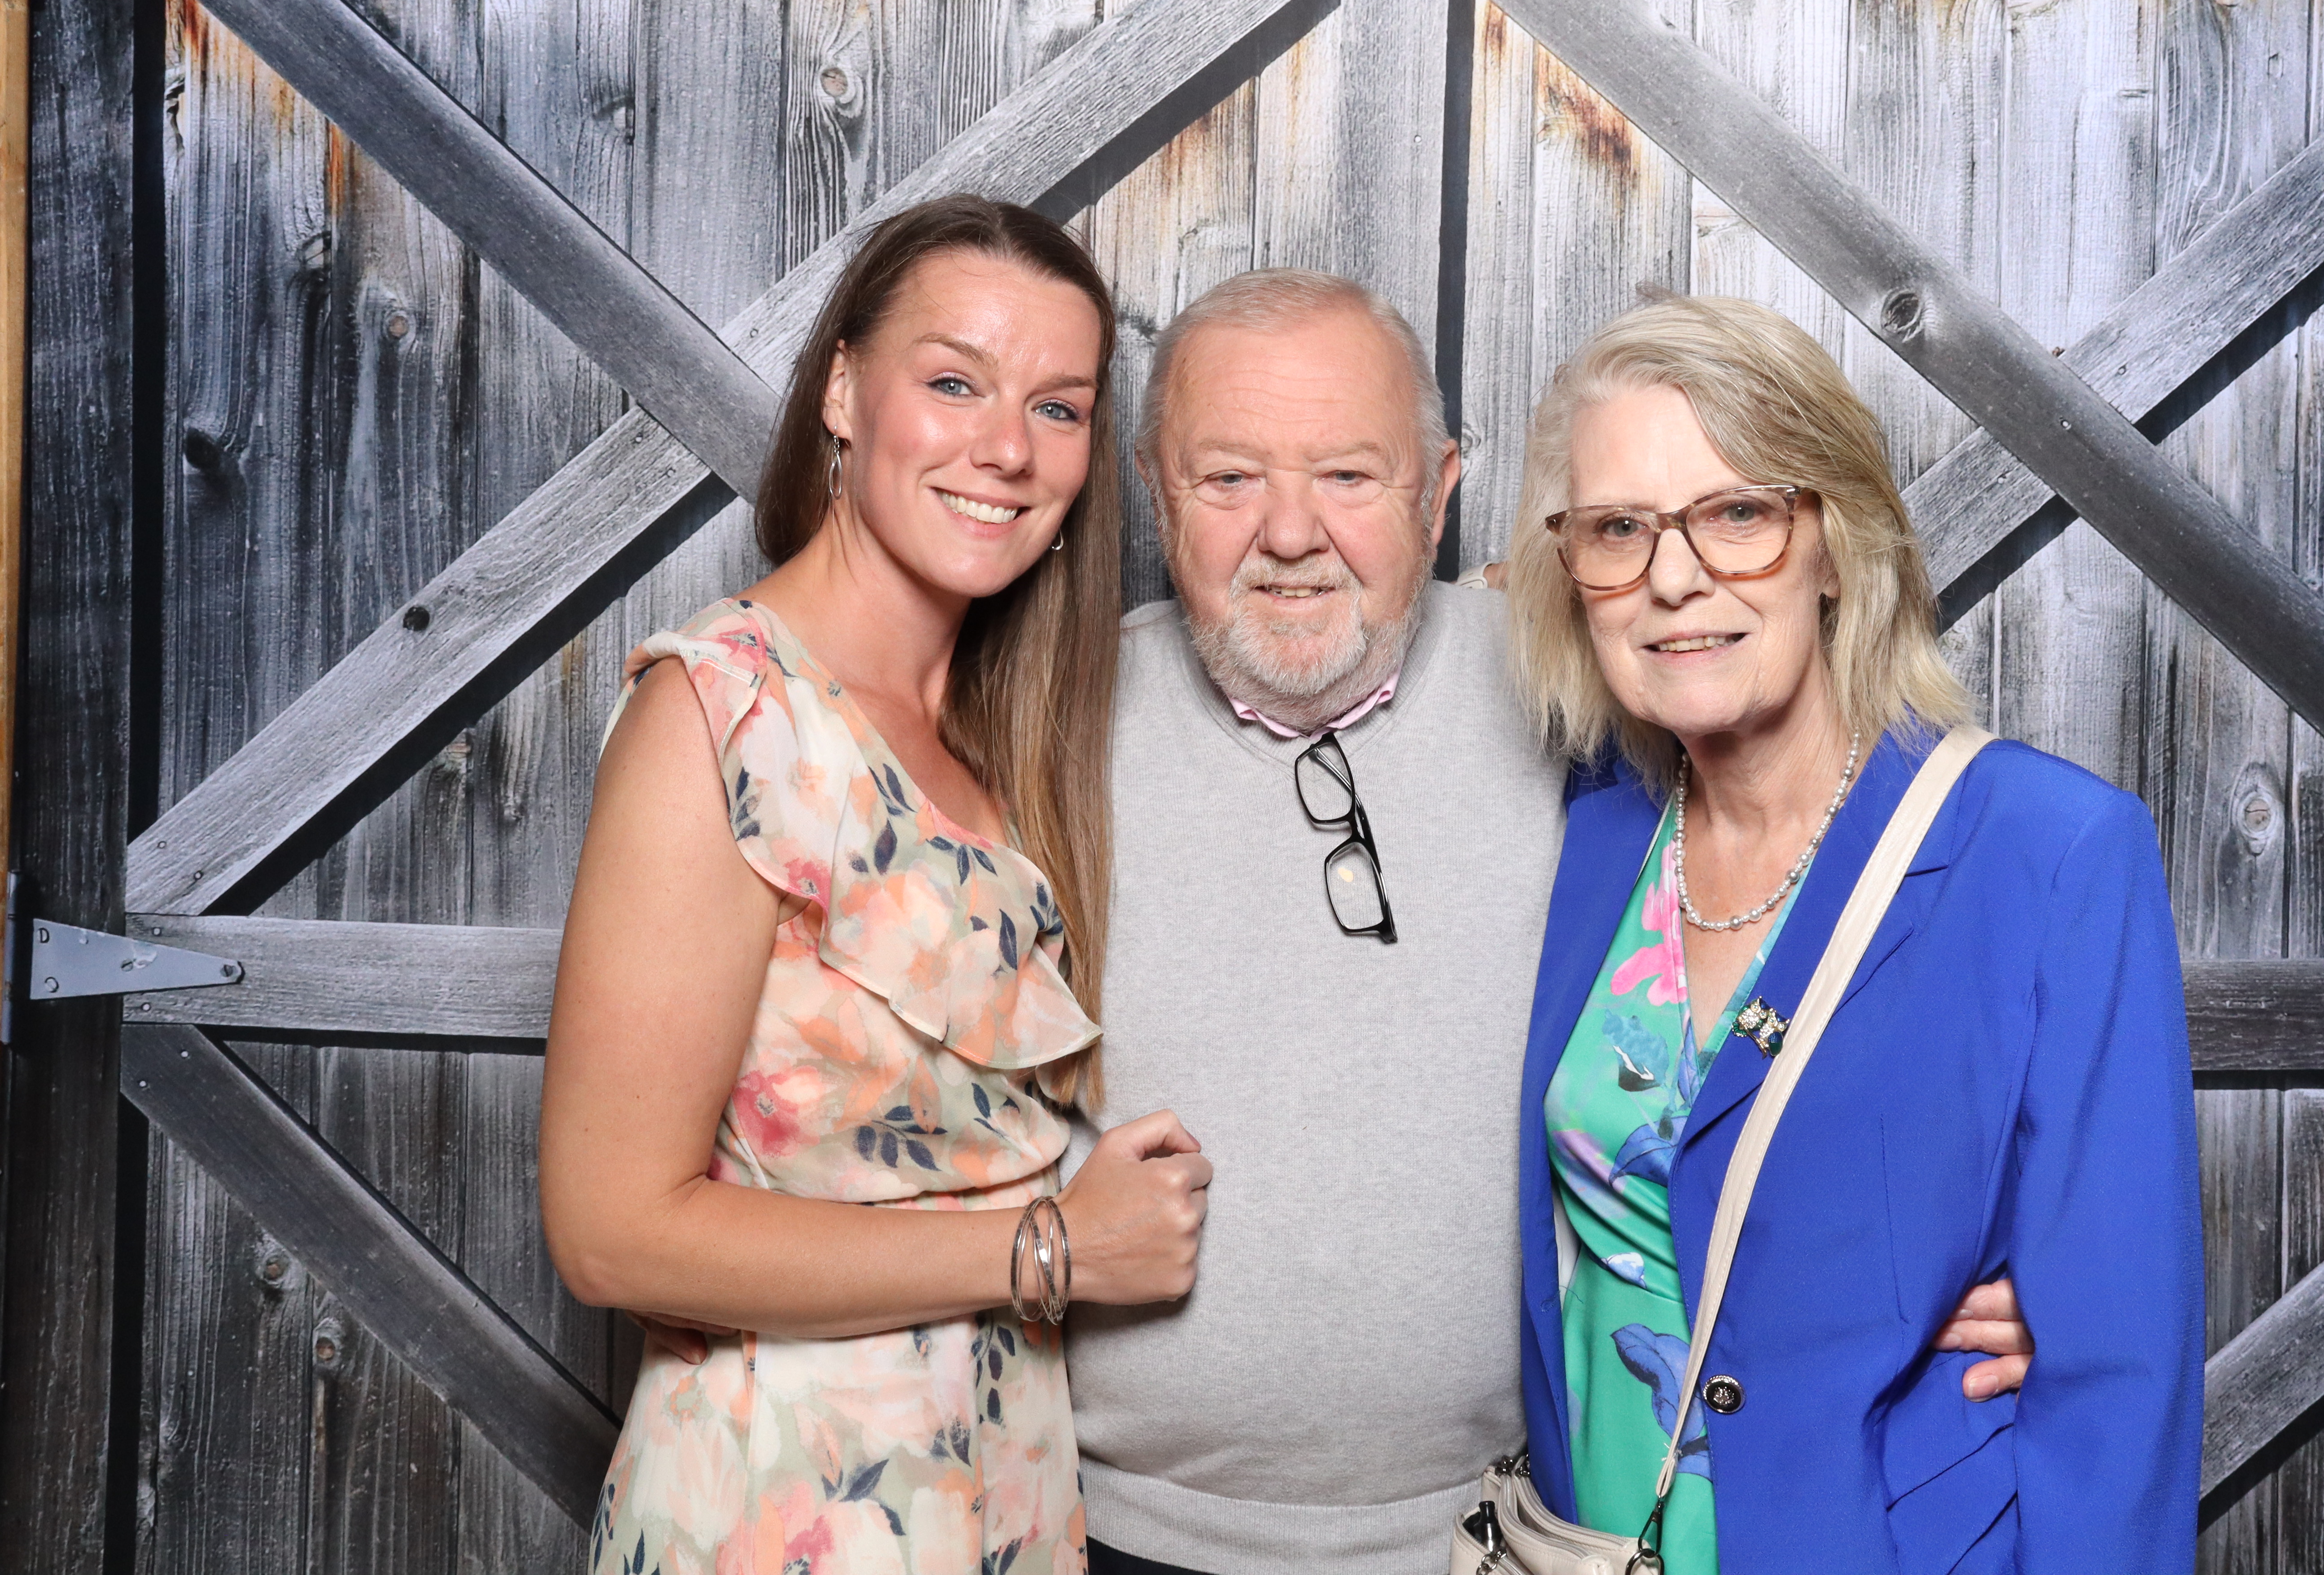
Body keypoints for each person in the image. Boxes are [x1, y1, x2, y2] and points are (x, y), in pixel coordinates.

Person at [1062, 271, 2040, 1575]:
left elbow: (1860, 891)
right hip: (1113, 1534)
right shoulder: (1040, 733)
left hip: (1521, 1535)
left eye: (1350, 478)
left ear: (1440, 488)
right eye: (1227, 478)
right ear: (1149, 485)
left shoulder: (1590, 683)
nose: (1289, 534)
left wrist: (1986, 1254)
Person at [540, 196, 1214, 1575]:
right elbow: (612, 1234)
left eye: (1061, 408)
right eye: (954, 383)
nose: (1008, 450)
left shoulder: (1006, 733)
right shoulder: (724, 715)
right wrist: (1046, 1253)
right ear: (844, 392)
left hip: (1004, 1491)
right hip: (784, 1506)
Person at [1506, 295, 2204, 1575]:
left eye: (1737, 513)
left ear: (1836, 541)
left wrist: (2033, 1302)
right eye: (1617, 529)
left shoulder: (2050, 852)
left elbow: (2120, 1386)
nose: (1673, 577)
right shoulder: (1595, 837)